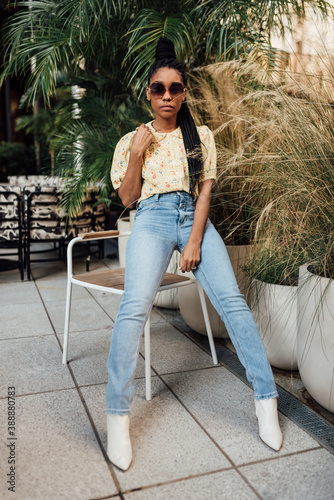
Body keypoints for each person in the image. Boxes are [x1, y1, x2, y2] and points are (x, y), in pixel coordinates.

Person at [106, 37, 283, 471]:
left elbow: (204, 194)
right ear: (147, 93)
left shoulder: (199, 135)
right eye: (158, 88)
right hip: (149, 217)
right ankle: (117, 417)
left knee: (234, 304)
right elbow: (128, 199)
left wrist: (193, 242)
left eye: (175, 88)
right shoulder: (133, 138)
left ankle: (266, 401)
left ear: (184, 93)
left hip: (192, 219)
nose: (167, 96)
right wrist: (135, 155)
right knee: (134, 308)